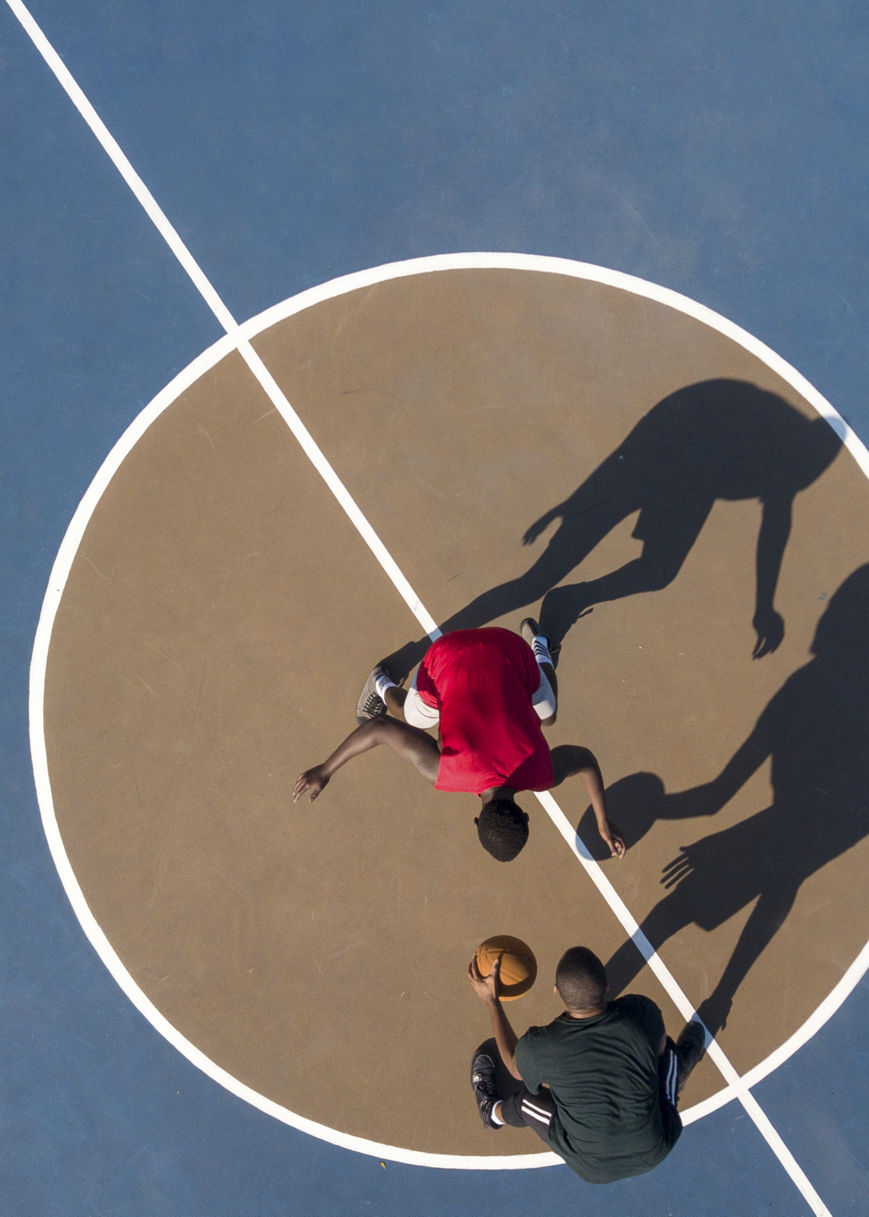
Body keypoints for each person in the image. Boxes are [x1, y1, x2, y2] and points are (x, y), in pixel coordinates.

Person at [293, 619, 625, 862]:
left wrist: (602, 819)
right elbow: (379, 727)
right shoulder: (445, 771)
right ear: (477, 820)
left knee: (549, 714)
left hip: (508, 646)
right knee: (410, 719)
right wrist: (325, 770)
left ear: (524, 815)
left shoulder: (542, 773)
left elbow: (585, 760)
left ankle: (536, 648)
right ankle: (380, 683)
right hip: (446, 654)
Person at [467, 946, 705, 1183]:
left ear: (556, 990)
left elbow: (513, 1067)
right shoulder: (641, 1012)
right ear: (607, 987)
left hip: (593, 1164)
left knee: (524, 1102)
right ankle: (671, 1084)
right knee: (668, 1052)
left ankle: (492, 1112)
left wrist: (492, 1002)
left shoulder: (541, 1047)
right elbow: (660, 1047)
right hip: (657, 1145)